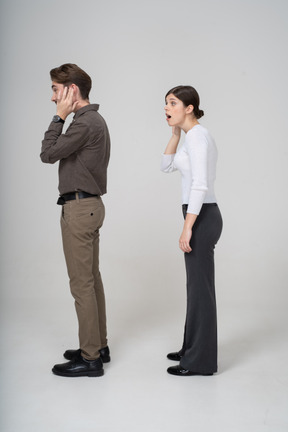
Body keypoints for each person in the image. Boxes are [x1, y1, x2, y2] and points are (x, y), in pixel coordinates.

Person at [40, 63, 111, 377]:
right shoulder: (91, 120)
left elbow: (48, 152)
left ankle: (91, 357)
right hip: (89, 206)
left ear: (71, 90)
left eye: (56, 89)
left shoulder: (83, 123)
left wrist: (59, 116)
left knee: (82, 285)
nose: (53, 96)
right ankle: (98, 345)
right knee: (91, 281)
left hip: (81, 210)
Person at [161, 85, 223, 376]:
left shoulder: (199, 137)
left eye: (172, 103)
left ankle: (200, 362)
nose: (166, 108)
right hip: (197, 215)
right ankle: (191, 348)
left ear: (189, 107)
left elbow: (199, 185)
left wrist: (187, 227)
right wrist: (174, 135)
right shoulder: (188, 137)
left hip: (201, 216)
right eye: (165, 104)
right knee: (195, 289)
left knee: (201, 292)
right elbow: (166, 166)